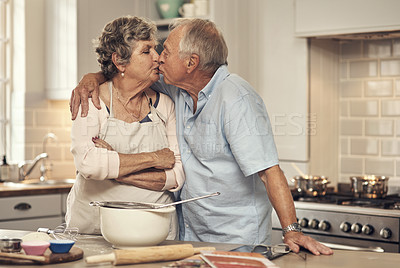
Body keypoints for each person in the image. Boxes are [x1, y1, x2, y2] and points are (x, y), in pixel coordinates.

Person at [70, 18, 333, 255]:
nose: (159, 58)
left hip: (236, 239)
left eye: (166, 52)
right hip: (190, 234)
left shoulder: (236, 99)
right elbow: (123, 74)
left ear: (191, 63)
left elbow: (268, 171)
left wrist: (291, 229)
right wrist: (90, 78)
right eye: (152, 51)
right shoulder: (177, 88)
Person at [66, 16, 185, 239]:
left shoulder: (164, 104)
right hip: (95, 230)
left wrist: (116, 171)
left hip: (156, 230)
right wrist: (154, 159)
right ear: (120, 62)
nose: (158, 57)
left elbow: (176, 175)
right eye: (146, 51)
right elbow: (89, 164)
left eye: (155, 49)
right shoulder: (90, 100)